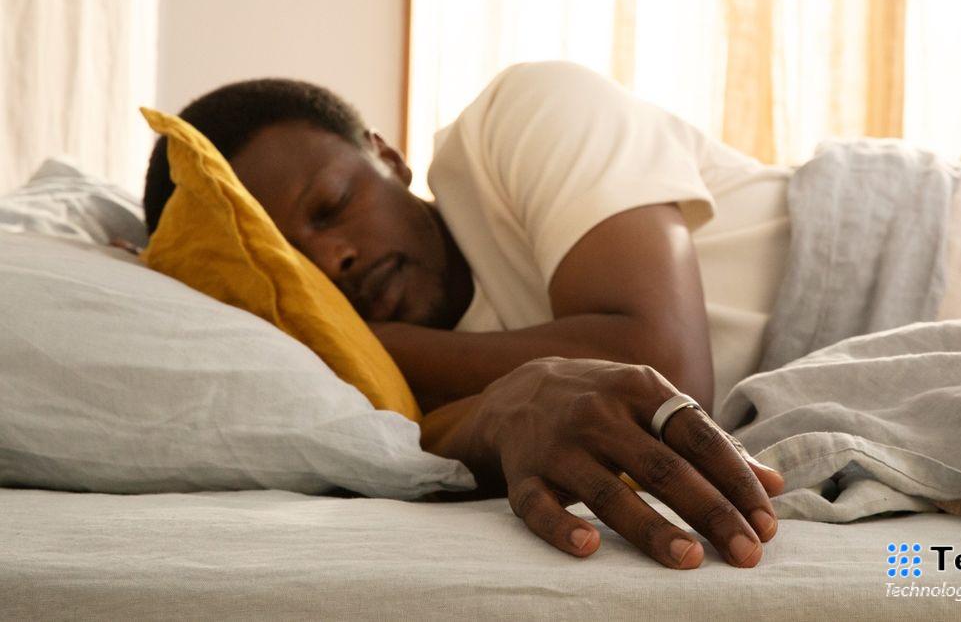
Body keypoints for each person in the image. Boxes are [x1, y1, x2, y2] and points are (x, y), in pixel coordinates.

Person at [143, 61, 793, 569]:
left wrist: (353, 335)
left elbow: (660, 366)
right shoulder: (360, 396)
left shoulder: (523, 114)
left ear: (387, 158)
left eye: (333, 204)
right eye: (291, 265)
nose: (333, 258)